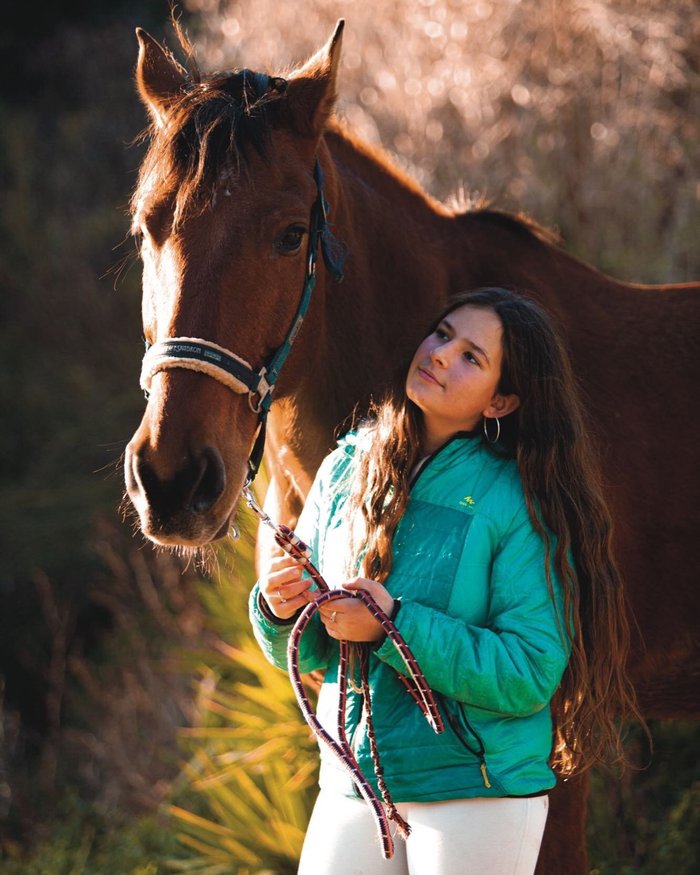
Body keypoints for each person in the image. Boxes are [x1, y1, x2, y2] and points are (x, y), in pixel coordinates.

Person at [249, 287, 640, 875]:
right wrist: (280, 610)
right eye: (442, 334)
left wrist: (393, 627)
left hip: (476, 790)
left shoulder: (515, 500)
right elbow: (309, 652)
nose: (439, 354)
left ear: (500, 402)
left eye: (471, 357)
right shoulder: (342, 469)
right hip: (354, 786)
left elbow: (530, 669)